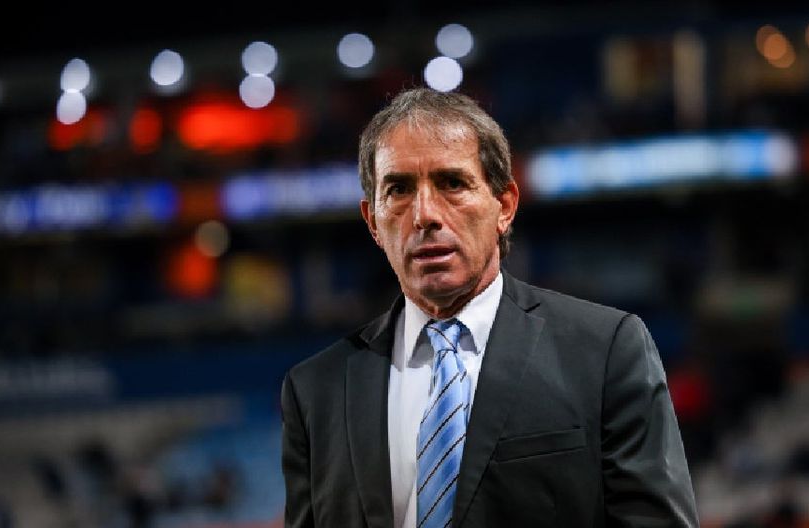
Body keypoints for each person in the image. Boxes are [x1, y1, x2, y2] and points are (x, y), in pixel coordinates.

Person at [281, 87, 698, 527]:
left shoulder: (605, 352)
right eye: (399, 189)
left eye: (451, 183)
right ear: (372, 222)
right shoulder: (315, 392)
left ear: (505, 206)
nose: (424, 215)